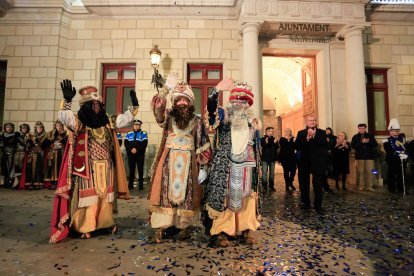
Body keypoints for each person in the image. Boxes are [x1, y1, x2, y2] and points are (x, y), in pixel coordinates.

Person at [49, 79, 136, 243]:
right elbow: (65, 118)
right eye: (92, 104)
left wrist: (133, 108)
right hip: (86, 167)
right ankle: (85, 226)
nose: (96, 107)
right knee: (88, 198)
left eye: (98, 104)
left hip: (106, 166)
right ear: (85, 106)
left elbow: (123, 120)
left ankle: (105, 223)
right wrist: (67, 101)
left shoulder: (107, 120)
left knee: (105, 197)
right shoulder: (80, 122)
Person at [149, 73, 211, 243]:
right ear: (174, 103)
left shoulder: (197, 121)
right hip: (168, 160)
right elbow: (158, 110)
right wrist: (166, 89)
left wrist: (204, 167)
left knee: (188, 194)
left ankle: (182, 226)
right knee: (164, 193)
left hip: (189, 162)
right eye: (178, 101)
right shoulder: (168, 116)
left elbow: (203, 143)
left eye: (185, 100)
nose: (181, 103)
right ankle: (163, 226)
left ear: (190, 103)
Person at [205, 79, 262, 247]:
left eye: (243, 102)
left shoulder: (253, 122)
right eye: (235, 100)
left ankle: (246, 229)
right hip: (226, 165)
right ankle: (222, 231)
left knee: (248, 198)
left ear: (247, 105)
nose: (238, 104)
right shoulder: (224, 116)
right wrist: (216, 91)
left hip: (248, 164)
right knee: (225, 198)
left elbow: (258, 147)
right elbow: (211, 110)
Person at [295, 115, 329, 212]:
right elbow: (297, 146)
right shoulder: (301, 133)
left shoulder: (322, 132)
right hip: (304, 162)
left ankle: (318, 205)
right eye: (310, 120)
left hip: (318, 162)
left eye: (314, 120)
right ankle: (305, 203)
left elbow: (325, 145)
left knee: (318, 184)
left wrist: (314, 136)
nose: (312, 122)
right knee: (304, 184)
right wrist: (307, 139)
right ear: (306, 122)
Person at [383, 119, 409, 194]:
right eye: (394, 131)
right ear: (390, 131)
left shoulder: (403, 139)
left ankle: (401, 189)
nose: (396, 132)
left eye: (397, 131)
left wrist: (406, 154)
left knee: (402, 174)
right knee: (392, 174)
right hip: (392, 159)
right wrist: (397, 154)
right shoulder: (386, 140)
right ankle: (391, 188)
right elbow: (388, 149)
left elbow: (406, 147)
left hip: (402, 159)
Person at [351, 123, 378, 192]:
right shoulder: (355, 137)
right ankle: (361, 186)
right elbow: (353, 146)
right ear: (358, 129)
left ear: (365, 128)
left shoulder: (370, 136)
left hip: (369, 156)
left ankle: (369, 186)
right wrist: (361, 142)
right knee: (361, 172)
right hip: (359, 157)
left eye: (363, 128)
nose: (361, 130)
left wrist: (368, 142)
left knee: (369, 171)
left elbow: (375, 144)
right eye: (360, 128)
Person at [42, 120, 68, 190]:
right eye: (57, 126)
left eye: (60, 126)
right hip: (52, 153)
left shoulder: (66, 134)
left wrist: (62, 138)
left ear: (62, 126)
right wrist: (52, 138)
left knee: (60, 167)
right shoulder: (50, 133)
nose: (59, 127)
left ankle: (59, 183)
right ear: (55, 126)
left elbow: (67, 144)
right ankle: (53, 182)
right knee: (51, 168)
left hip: (61, 153)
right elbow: (44, 144)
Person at [124, 119, 148, 190]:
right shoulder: (129, 133)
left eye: (138, 125)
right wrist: (131, 149)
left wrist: (136, 150)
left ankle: (141, 185)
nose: (136, 126)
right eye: (135, 125)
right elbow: (126, 143)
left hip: (140, 154)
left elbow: (144, 143)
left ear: (140, 126)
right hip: (131, 154)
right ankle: (130, 185)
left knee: (140, 169)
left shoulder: (143, 133)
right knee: (131, 170)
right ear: (133, 125)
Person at [23, 121, 47, 189]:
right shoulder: (32, 136)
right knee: (30, 169)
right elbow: (28, 145)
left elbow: (45, 146)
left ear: (43, 128)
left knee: (39, 169)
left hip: (40, 155)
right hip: (32, 154)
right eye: (38, 128)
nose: (39, 129)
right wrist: (30, 141)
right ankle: (30, 183)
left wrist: (37, 143)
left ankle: (38, 183)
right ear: (35, 129)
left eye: (40, 128)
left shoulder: (45, 136)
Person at [0, 123, 20, 188]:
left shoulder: (16, 135)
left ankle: (11, 182)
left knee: (12, 168)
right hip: (4, 154)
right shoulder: (2, 136)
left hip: (13, 154)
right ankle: (4, 182)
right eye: (7, 127)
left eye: (10, 127)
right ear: (5, 128)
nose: (9, 128)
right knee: (4, 167)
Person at [260, 127, 279, 192]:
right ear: (267, 131)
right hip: (265, 159)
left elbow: (277, 148)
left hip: (272, 159)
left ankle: (271, 186)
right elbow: (261, 148)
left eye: (272, 131)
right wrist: (266, 143)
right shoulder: (262, 139)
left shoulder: (274, 139)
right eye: (270, 131)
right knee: (264, 173)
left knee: (272, 173)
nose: (271, 132)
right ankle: (264, 186)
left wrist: (276, 143)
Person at [15, 124, 32, 189]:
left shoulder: (29, 136)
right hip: (17, 153)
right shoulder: (17, 136)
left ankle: (24, 183)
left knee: (25, 169)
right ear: (21, 129)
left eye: (26, 128)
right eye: (23, 128)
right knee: (17, 168)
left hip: (25, 154)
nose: (24, 130)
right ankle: (18, 183)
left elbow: (30, 145)